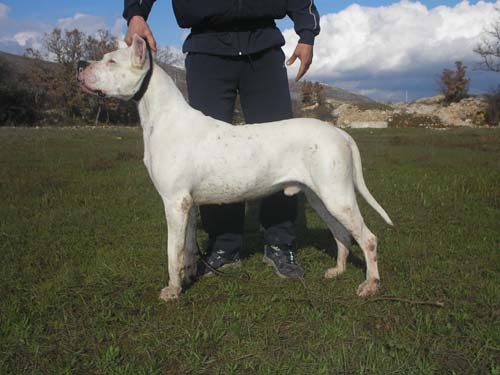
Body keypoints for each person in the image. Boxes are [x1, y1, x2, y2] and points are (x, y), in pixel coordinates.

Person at [123, 0, 320, 279]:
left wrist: (307, 32)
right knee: (209, 159)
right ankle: (225, 246)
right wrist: (136, 13)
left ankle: (279, 243)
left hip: (263, 47)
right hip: (206, 50)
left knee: (280, 152)